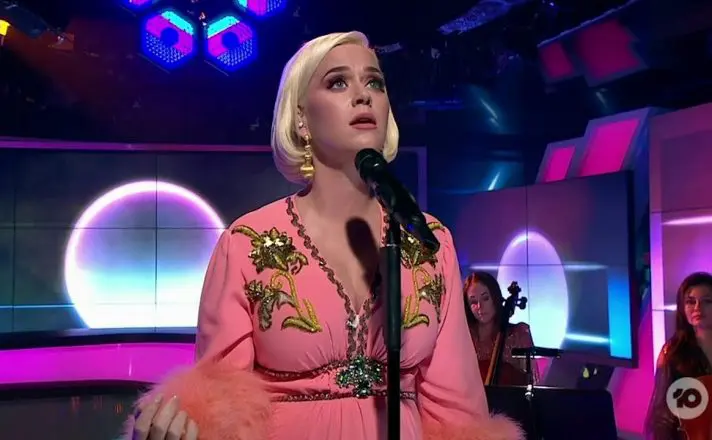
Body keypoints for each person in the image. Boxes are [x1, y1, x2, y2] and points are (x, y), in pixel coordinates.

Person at [126, 31, 524, 440]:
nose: (363, 95)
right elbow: (222, 412)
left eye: (375, 82)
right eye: (338, 82)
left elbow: (457, 412)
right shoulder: (248, 242)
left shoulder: (427, 240)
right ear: (301, 118)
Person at [646, 272, 712, 440]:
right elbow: (662, 415)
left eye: (707, 301)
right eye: (690, 301)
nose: (697, 308)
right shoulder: (673, 353)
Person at [463, 272, 538, 386]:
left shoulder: (518, 335)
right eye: (473, 302)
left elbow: (532, 383)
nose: (479, 307)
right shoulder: (464, 337)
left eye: (485, 298)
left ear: (495, 298)